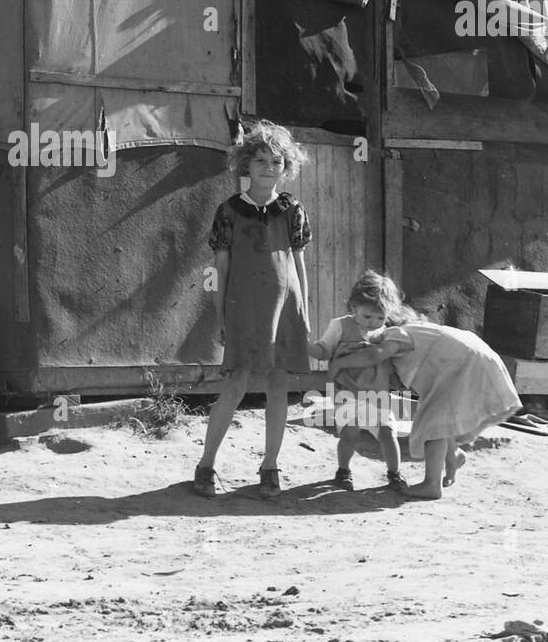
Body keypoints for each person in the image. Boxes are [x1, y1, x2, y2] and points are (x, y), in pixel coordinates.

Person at [195, 120, 311, 498]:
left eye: (276, 160)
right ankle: (206, 465)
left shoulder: (292, 209)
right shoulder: (228, 211)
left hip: (284, 307)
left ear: (286, 166)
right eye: (259, 159)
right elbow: (220, 267)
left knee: (278, 385)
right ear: (245, 164)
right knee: (236, 383)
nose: (267, 167)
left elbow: (298, 262)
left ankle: (270, 466)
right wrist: (219, 315)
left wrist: (304, 312)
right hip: (242, 307)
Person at [328, 283, 521, 499]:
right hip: (475, 358)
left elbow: (374, 356)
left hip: (464, 364)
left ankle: (431, 485)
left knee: (432, 422)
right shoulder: (420, 335)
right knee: (441, 416)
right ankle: (453, 456)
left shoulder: (395, 335)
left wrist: (339, 364)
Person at [308, 271, 409, 494]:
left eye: (380, 318)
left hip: (378, 392)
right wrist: (307, 346)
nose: (373, 323)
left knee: (387, 433)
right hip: (346, 391)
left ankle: (395, 474)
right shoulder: (340, 326)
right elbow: (324, 350)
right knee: (350, 433)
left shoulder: (387, 332)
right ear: (353, 306)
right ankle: (343, 471)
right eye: (367, 317)